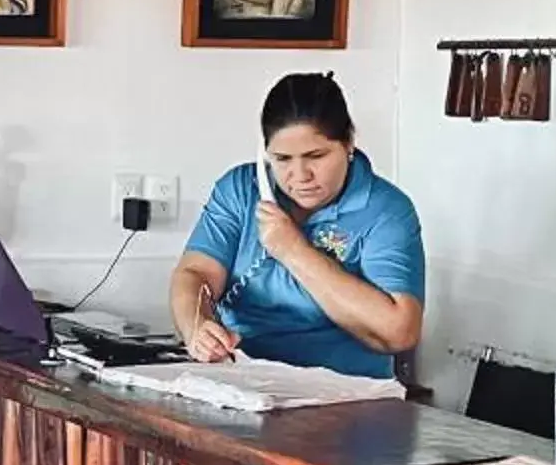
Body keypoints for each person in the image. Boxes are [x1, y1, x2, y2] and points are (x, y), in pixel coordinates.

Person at [168, 72, 424, 376]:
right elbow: (195, 273)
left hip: (343, 393)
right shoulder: (239, 189)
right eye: (282, 159)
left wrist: (292, 250)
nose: (300, 175)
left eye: (316, 156)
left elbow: (399, 331)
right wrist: (197, 327)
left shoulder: (387, 210)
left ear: (348, 144)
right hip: (241, 379)